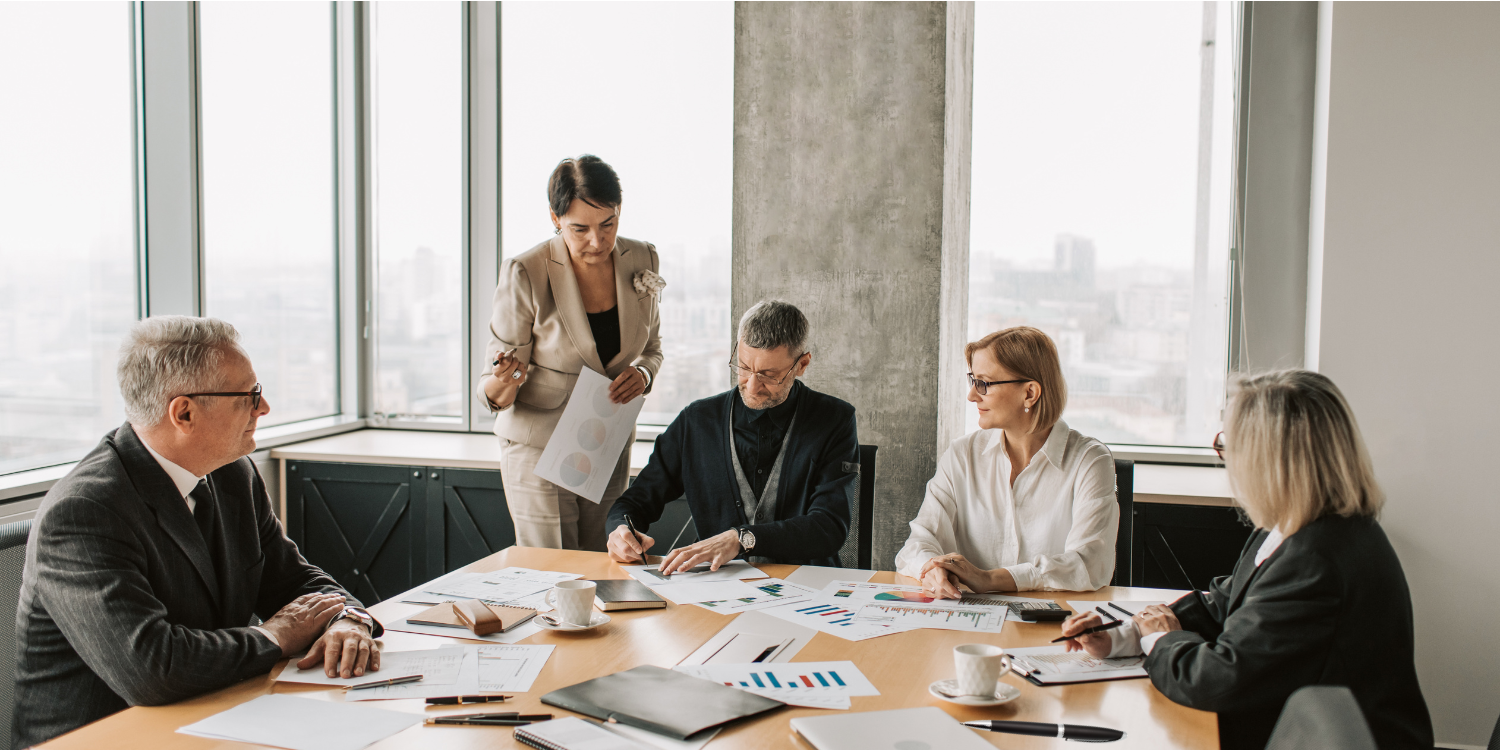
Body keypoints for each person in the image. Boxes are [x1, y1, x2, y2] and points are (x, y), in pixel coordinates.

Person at [12, 317, 382, 750]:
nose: (263, 409)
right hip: (106, 738)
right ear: (184, 412)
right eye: (250, 396)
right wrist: (277, 635)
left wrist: (347, 621)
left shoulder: (231, 474)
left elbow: (295, 581)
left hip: (214, 715)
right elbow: (151, 668)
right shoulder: (84, 512)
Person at [1060, 370, 1434, 750]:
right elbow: (1222, 606)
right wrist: (1126, 635)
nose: (1223, 459)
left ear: (1267, 461)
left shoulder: (1316, 561)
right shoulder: (1294, 526)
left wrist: (1161, 638)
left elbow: (1218, 682)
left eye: (1227, 444)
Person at [477, 155, 663, 551]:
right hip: (539, 447)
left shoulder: (643, 258)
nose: (596, 241)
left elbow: (652, 348)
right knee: (555, 575)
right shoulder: (525, 271)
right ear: (555, 218)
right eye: (580, 229)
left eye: (608, 224)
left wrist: (644, 374)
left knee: (607, 565)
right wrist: (505, 379)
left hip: (606, 438)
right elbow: (491, 392)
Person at [605, 300, 856, 570]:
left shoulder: (834, 420)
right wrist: (620, 530)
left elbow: (829, 527)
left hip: (807, 588)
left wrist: (742, 538)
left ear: (802, 364)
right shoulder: (696, 421)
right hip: (718, 589)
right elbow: (636, 500)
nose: (752, 386)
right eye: (744, 367)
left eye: (769, 375)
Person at [894, 326, 1117, 597]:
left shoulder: (1090, 461)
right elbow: (917, 543)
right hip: (967, 623)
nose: (972, 395)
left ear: (1030, 393)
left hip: (1055, 628)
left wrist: (989, 579)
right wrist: (932, 569)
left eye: (984, 383)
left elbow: (1089, 565)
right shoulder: (962, 454)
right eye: (973, 381)